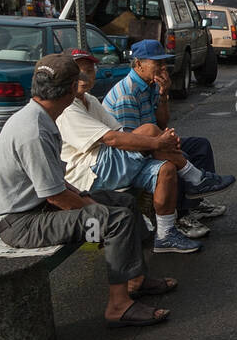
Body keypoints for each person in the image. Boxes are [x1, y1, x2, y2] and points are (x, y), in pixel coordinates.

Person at [0, 55, 173, 328]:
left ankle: (136, 279)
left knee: (123, 202)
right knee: (114, 219)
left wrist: (88, 199)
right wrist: (94, 211)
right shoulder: (33, 129)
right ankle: (118, 306)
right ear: (73, 88)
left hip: (37, 208)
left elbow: (56, 183)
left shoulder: (40, 117)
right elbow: (55, 195)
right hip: (20, 222)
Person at [56, 48, 201, 254]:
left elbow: (120, 130)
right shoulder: (68, 108)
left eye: (89, 70)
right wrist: (158, 142)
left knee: (166, 169)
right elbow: (112, 138)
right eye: (78, 72)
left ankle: (166, 235)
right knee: (151, 132)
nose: (84, 76)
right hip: (89, 173)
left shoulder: (90, 100)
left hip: (109, 162)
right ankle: (195, 178)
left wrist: (162, 134)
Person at [103, 39, 235, 234]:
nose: (163, 68)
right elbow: (132, 141)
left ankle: (195, 202)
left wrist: (164, 94)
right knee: (175, 160)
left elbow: (161, 123)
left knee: (200, 146)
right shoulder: (127, 94)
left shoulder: (150, 86)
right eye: (158, 63)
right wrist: (165, 144)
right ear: (139, 64)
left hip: (150, 142)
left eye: (164, 63)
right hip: (129, 155)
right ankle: (181, 216)